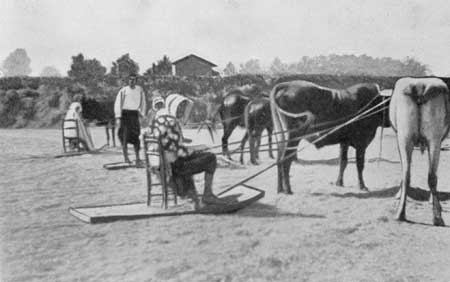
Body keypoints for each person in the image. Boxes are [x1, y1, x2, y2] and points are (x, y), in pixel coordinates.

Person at [147, 114, 227, 209]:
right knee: (211, 158)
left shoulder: (159, 122)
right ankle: (207, 195)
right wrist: (198, 148)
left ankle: (197, 197)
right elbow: (182, 152)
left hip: (164, 165)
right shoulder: (172, 123)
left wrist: (193, 148)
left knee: (201, 156)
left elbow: (172, 146)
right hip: (175, 168)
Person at [114, 74, 146, 166]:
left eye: (134, 80)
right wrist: (118, 117)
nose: (132, 81)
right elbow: (118, 103)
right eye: (130, 80)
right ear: (128, 81)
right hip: (125, 115)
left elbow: (143, 102)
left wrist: (142, 114)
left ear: (136, 81)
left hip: (134, 115)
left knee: (136, 137)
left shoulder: (140, 90)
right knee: (125, 137)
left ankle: (137, 158)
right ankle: (126, 158)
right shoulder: (123, 90)